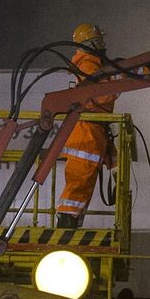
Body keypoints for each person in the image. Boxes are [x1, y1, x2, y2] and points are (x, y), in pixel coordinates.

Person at [56, 22, 119, 228]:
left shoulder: (90, 64)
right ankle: (66, 224)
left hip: (91, 132)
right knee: (78, 184)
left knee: (81, 184)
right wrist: (120, 82)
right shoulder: (89, 64)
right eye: (99, 40)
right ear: (91, 43)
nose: (103, 44)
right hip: (86, 134)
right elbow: (101, 95)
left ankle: (70, 223)